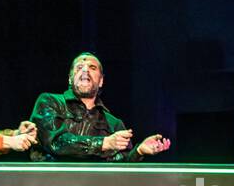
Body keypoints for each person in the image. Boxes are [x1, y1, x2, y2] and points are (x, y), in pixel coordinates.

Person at [28, 53, 170, 161]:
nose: (85, 70)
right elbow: (56, 143)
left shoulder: (114, 123)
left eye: (92, 67)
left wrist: (138, 151)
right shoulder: (49, 101)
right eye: (79, 67)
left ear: (101, 80)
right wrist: (104, 143)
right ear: (70, 79)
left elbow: (120, 171)